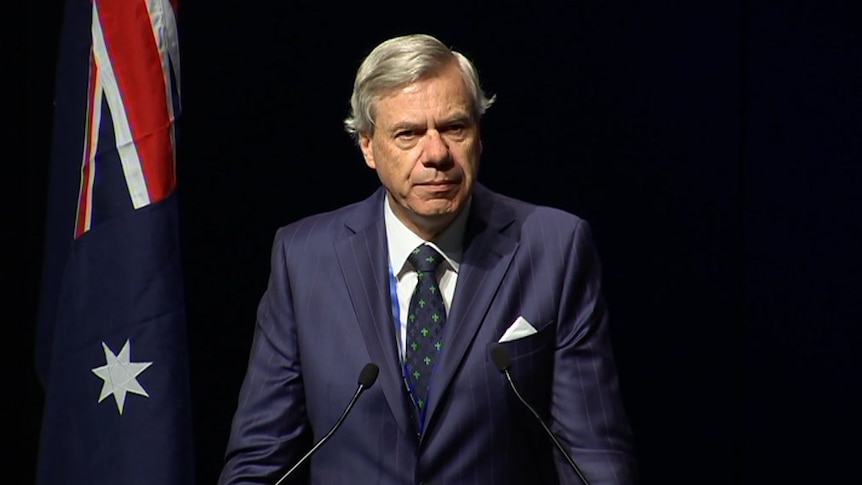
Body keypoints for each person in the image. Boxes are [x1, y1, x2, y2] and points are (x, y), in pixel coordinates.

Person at [218, 33, 638, 485]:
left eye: (455, 128)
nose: (436, 154)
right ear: (367, 146)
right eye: (409, 134)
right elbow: (259, 462)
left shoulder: (554, 247)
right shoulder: (305, 258)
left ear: (478, 135)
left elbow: (593, 456)